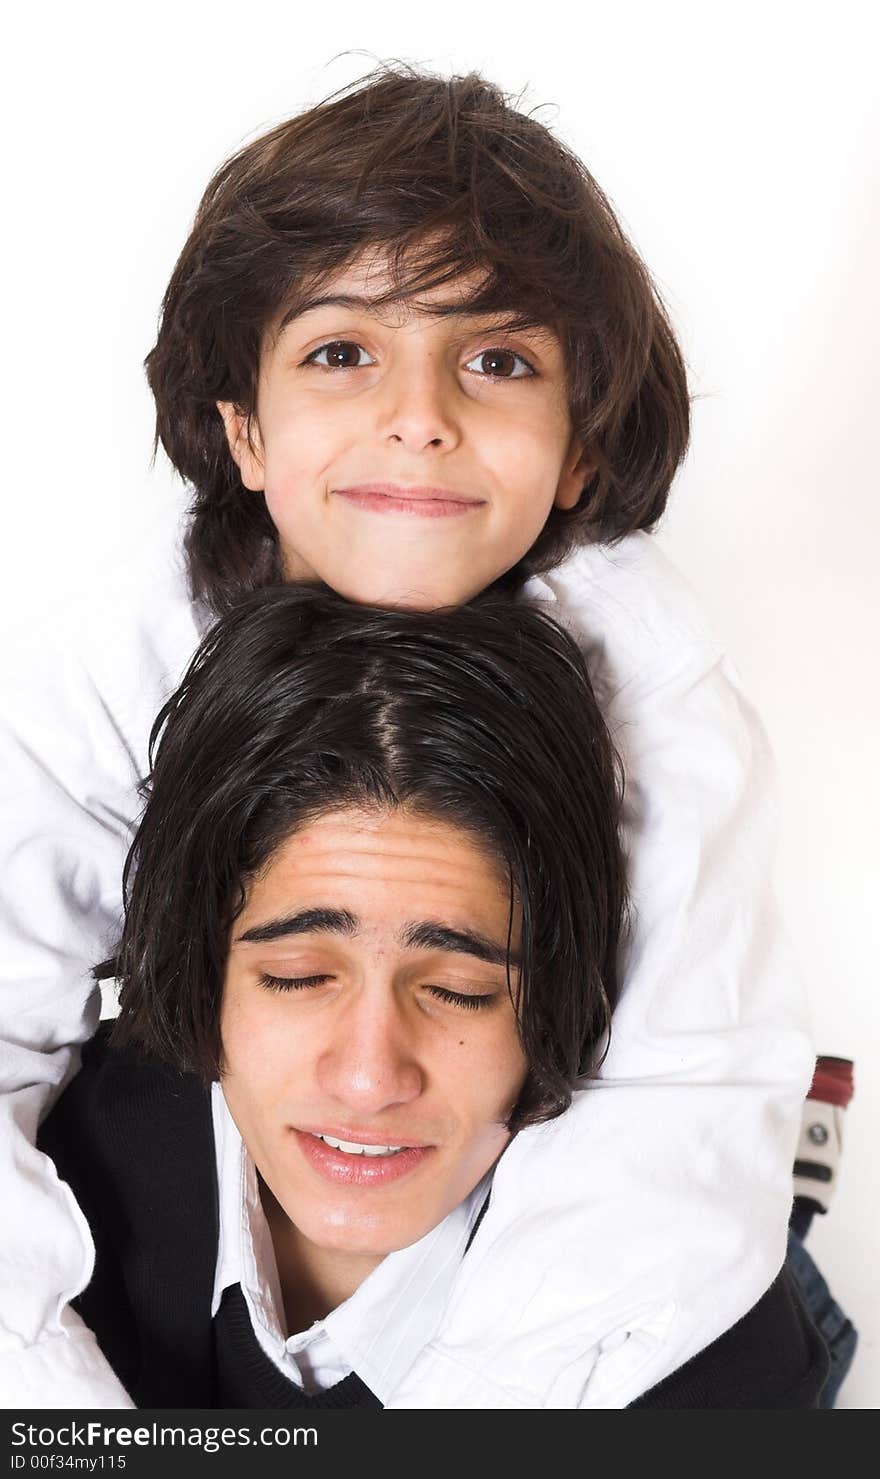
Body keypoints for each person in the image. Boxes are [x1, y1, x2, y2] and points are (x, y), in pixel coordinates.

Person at [0, 64, 813, 1410]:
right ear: (243, 430)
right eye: (342, 351)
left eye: (496, 359)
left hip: (626, 1289)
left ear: (580, 456)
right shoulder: (126, 640)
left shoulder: (659, 706)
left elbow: (675, 1130)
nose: (420, 416)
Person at [37, 588, 827, 1409]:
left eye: (459, 991)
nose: (369, 1076)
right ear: (202, 967)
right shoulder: (53, 1170)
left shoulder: (712, 1358)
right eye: (300, 976)